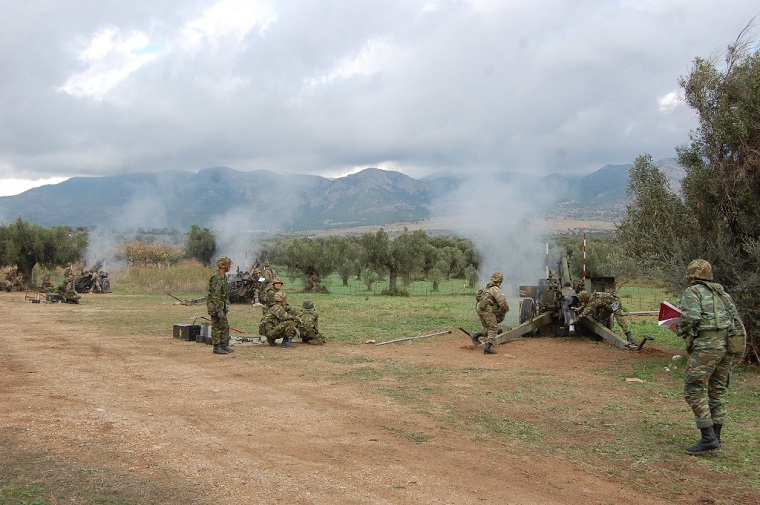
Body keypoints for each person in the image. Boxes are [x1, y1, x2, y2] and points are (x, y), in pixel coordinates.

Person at [673, 259, 744, 455]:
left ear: (692, 276)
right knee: (717, 390)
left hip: (707, 346)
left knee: (693, 388)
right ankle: (716, 438)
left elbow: (691, 317)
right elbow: (735, 320)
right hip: (726, 346)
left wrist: (677, 328)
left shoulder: (693, 291)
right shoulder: (723, 294)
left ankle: (708, 438)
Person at [474, 271, 510, 355]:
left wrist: (482, 302)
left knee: (488, 327)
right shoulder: (496, 289)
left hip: (479, 308)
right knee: (493, 328)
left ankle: (475, 336)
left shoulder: (486, 287)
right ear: (500, 281)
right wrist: (506, 309)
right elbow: (502, 302)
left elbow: (477, 295)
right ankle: (487, 349)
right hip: (487, 310)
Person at [207, 256, 234, 355]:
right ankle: (216, 346)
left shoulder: (223, 277)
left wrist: (226, 303)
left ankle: (223, 345)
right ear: (224, 265)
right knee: (217, 326)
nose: (230, 266)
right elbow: (216, 295)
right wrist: (219, 310)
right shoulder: (216, 278)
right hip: (215, 306)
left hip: (221, 305)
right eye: (229, 264)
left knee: (224, 326)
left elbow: (224, 293)